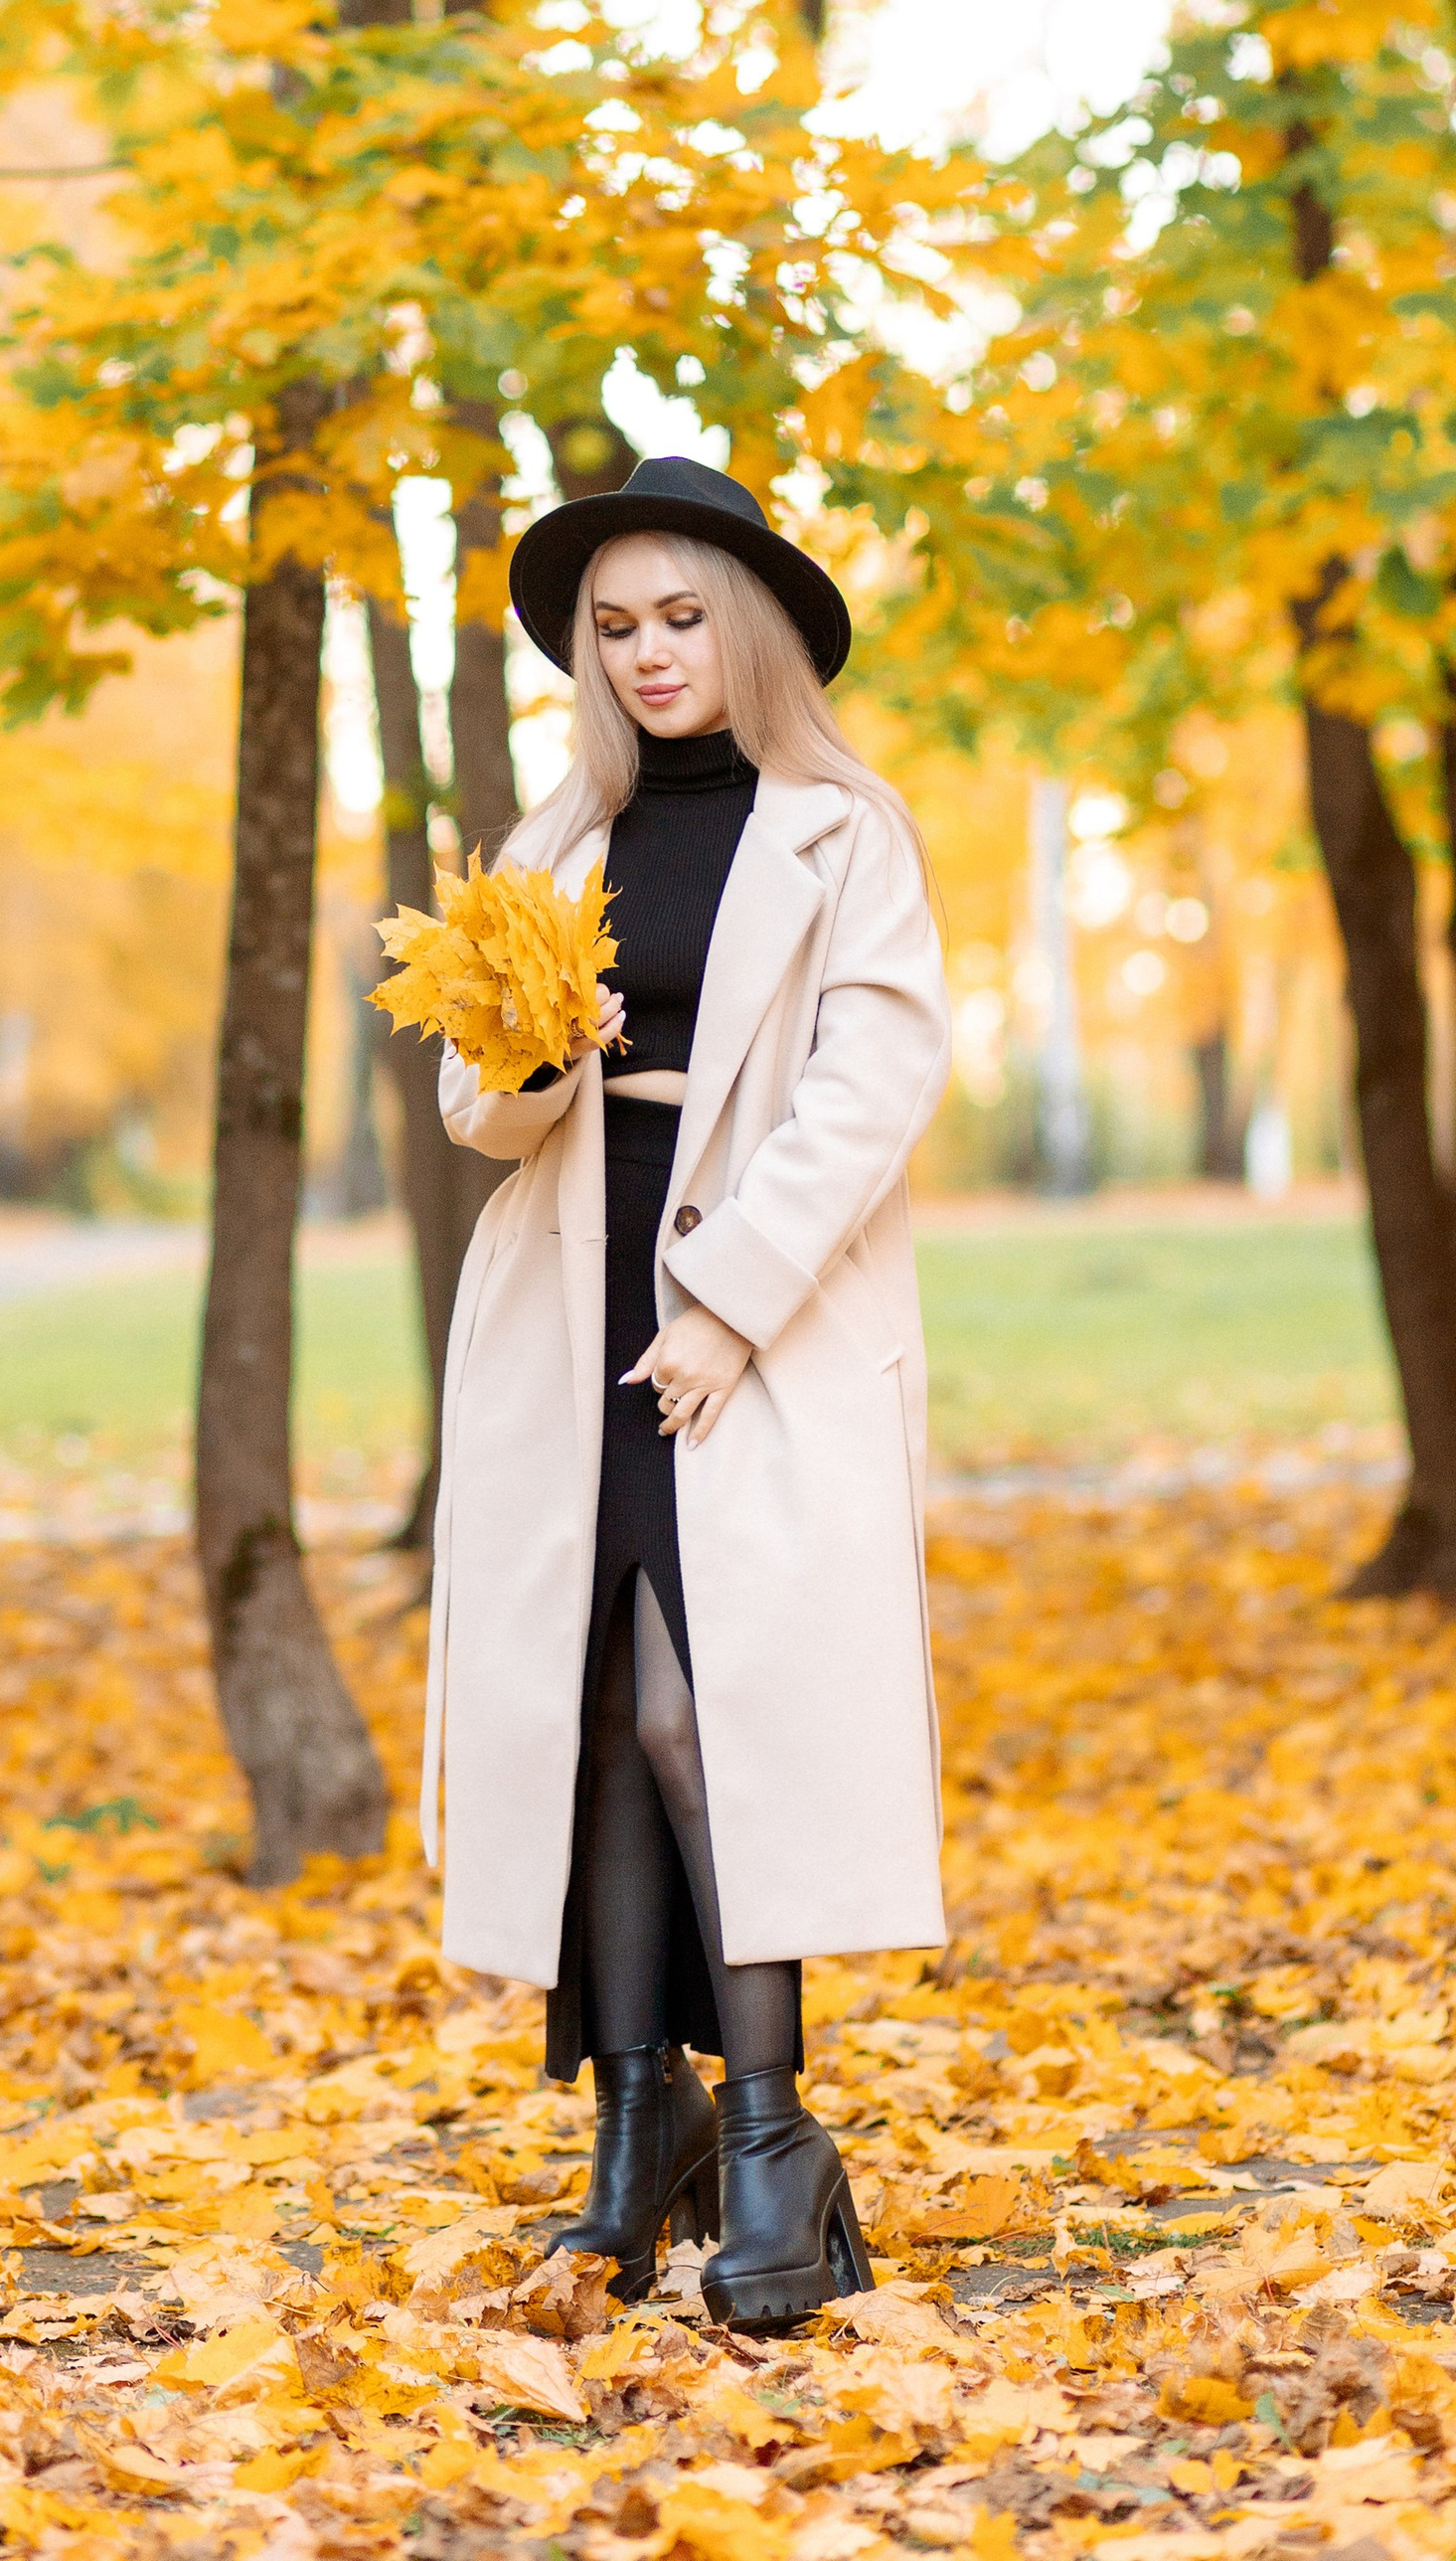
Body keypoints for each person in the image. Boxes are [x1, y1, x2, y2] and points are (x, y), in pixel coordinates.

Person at [419, 454, 950, 2331]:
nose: (651, 656)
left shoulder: (841, 826)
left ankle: (778, 2138)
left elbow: (875, 1081)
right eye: (616, 628)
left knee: (694, 1712)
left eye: (681, 620)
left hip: (755, 1304)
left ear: (754, 632)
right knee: (592, 1708)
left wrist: (722, 1303)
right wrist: (541, 1059)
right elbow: (477, 1110)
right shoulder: (551, 843)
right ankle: (635, 2131)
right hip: (570, 1293)